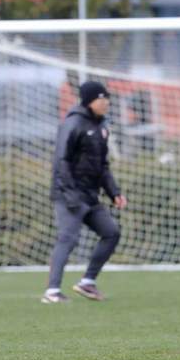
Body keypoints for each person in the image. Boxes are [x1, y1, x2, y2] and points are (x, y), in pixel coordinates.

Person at [42, 81, 128, 304]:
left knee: (111, 232)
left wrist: (114, 192)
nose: (106, 102)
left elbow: (103, 166)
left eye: (107, 98)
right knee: (68, 239)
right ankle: (52, 291)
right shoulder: (73, 124)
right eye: (102, 98)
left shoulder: (101, 127)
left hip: (90, 196)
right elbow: (61, 162)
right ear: (90, 101)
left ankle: (87, 282)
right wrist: (70, 195)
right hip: (69, 194)